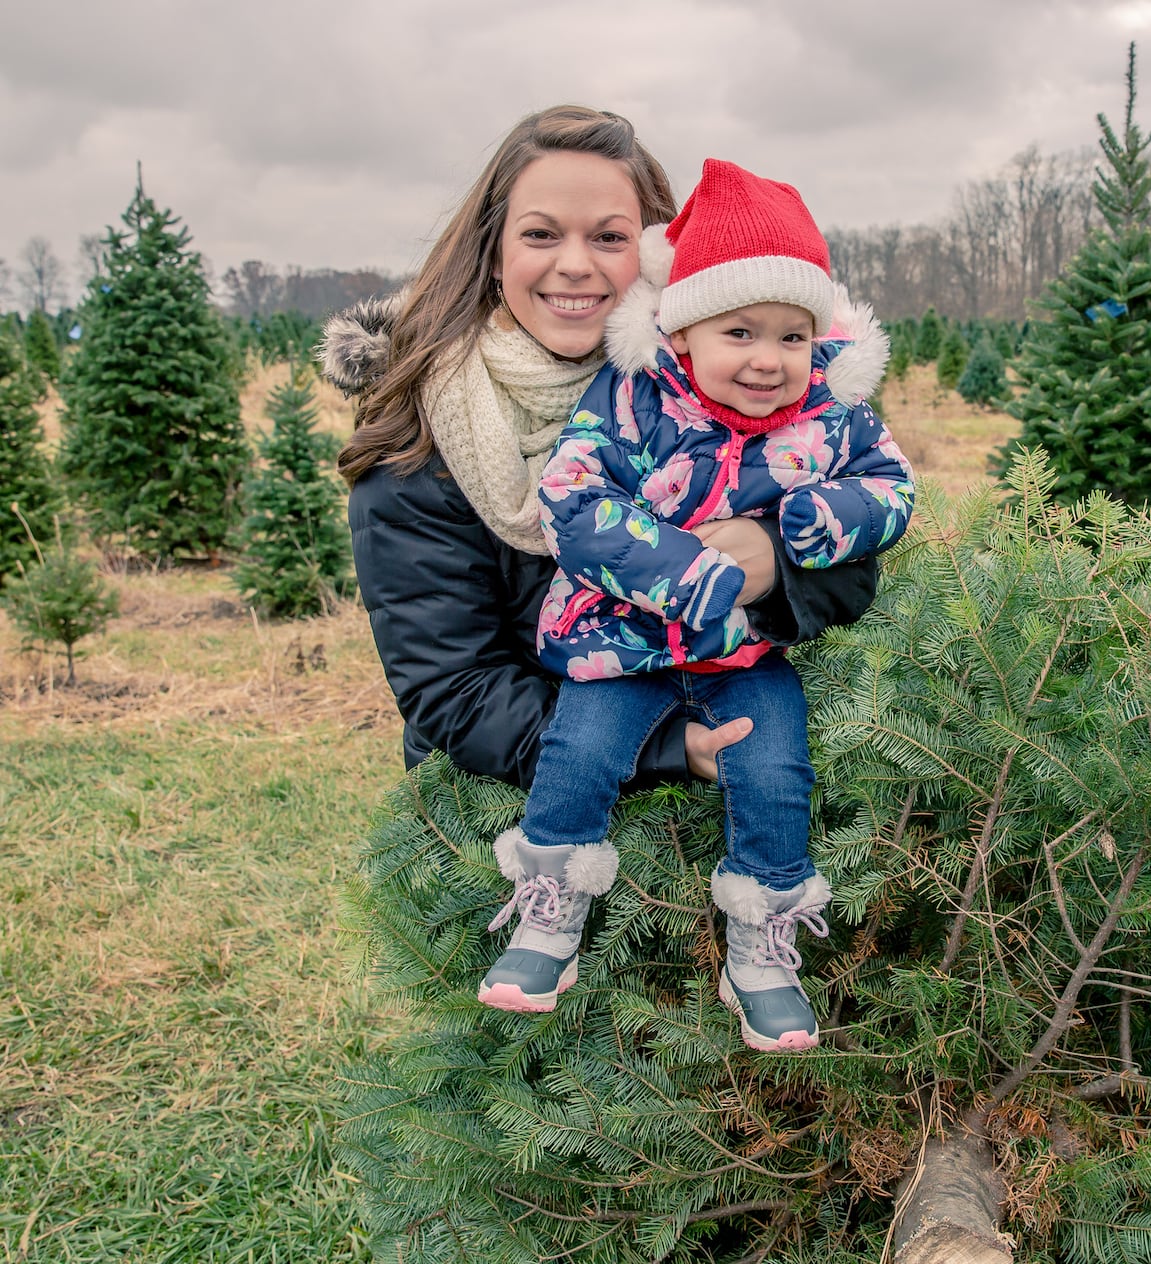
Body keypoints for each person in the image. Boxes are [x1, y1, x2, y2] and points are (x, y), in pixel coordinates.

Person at [318, 109, 878, 972]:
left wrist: (774, 557)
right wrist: (659, 750)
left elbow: (855, 572)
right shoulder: (415, 442)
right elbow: (451, 689)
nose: (575, 265)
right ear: (494, 248)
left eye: (609, 236)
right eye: (541, 233)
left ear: (658, 257)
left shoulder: (732, 391)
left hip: (722, 809)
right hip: (509, 824)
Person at [477, 160, 913, 1053]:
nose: (767, 358)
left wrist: (809, 525)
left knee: (776, 766)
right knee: (582, 749)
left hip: (745, 656)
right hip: (618, 644)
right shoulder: (636, 400)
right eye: (740, 331)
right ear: (682, 334)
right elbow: (574, 501)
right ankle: (547, 912)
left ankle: (761, 943)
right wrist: (689, 573)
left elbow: (892, 489)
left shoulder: (831, 417)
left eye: (793, 337)